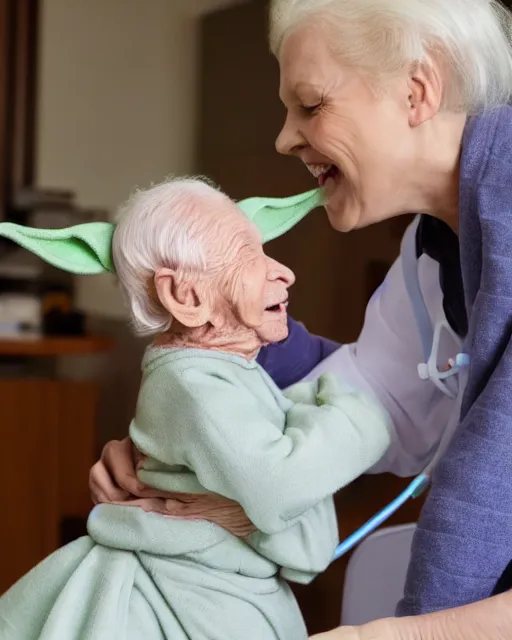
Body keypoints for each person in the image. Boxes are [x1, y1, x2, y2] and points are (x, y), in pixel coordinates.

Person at [90, 0, 512, 637]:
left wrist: (408, 634)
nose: (284, 138)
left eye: (311, 105)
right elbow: (374, 401)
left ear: (416, 90)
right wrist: (187, 435)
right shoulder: (432, 252)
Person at [0, 177, 393, 640]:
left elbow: (288, 512)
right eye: (251, 256)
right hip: (195, 601)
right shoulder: (193, 383)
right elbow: (280, 485)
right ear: (186, 297)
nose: (284, 272)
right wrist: (360, 415)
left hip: (218, 591)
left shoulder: (218, 374)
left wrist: (304, 410)